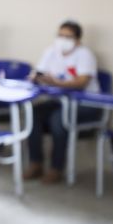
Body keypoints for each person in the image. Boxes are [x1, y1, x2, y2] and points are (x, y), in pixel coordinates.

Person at [25, 20, 102, 184]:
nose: (63, 39)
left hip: (86, 105)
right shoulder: (51, 51)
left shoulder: (85, 54)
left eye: (68, 37)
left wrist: (55, 83)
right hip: (60, 101)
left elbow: (81, 82)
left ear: (78, 40)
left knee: (59, 119)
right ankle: (35, 163)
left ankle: (56, 169)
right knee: (33, 114)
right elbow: (39, 72)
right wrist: (36, 77)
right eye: (60, 35)